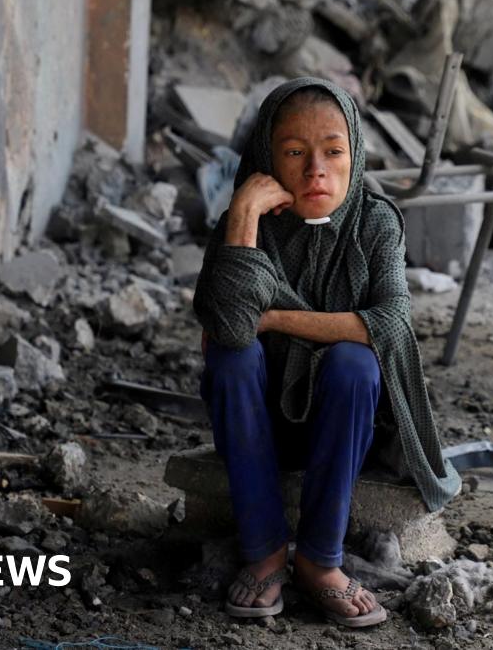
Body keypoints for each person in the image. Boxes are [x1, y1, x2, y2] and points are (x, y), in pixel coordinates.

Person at [192, 77, 461, 627]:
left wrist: (274, 317)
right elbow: (231, 330)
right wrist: (243, 212)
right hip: (257, 424)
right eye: (294, 152)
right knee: (232, 356)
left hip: (346, 426)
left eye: (333, 152)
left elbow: (391, 324)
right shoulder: (245, 221)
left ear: (354, 153)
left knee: (355, 361)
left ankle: (319, 559)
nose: (316, 170)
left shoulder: (375, 222)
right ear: (267, 157)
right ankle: (265, 551)